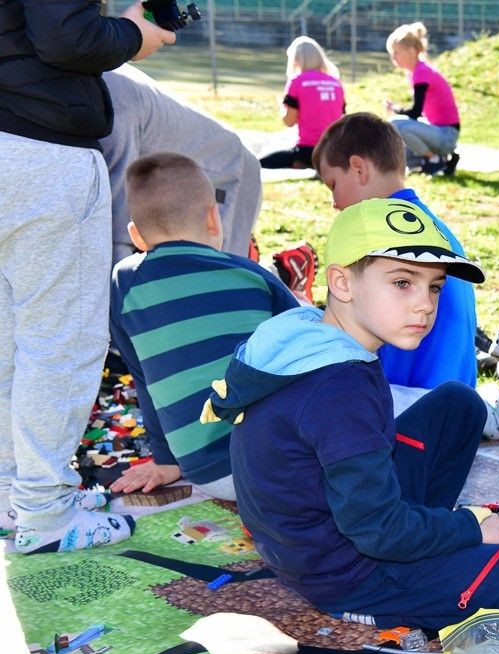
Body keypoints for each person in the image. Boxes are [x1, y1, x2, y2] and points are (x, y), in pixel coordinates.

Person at [202, 199, 499, 629]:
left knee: (459, 403)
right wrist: (467, 527)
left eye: (434, 286)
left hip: (322, 533)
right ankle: (381, 593)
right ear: (342, 283)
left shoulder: (306, 332)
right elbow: (377, 531)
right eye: (402, 282)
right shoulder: (340, 387)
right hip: (347, 572)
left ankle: (421, 535)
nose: (425, 304)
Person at [0, 0, 174, 553]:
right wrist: (130, 35)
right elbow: (65, 36)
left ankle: (15, 494)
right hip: (39, 150)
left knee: (10, 337)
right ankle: (44, 513)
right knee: (60, 340)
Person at [105, 152, 298, 507]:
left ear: (137, 236)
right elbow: (311, 350)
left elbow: (144, 379)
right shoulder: (253, 276)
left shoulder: (123, 285)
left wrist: (166, 461)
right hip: (284, 464)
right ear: (214, 217)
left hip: (211, 477)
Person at [312, 112, 499, 435]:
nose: (334, 202)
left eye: (333, 185)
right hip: (453, 402)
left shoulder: (383, 241)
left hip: (413, 408)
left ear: (358, 168)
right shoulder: (431, 228)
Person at [101, 64, 262, 263]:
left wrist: (116, 285)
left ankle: (285, 271)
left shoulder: (114, 94)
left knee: (216, 281)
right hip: (169, 185)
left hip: (229, 173)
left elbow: (117, 213)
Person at [385, 22, 461, 176]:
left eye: (397, 52)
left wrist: (395, 109)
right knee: (402, 156)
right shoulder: (417, 72)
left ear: (411, 51)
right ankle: (442, 161)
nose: (394, 58)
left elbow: (415, 112)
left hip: (446, 135)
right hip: (440, 132)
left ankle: (434, 160)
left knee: (395, 124)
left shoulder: (421, 73)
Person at [259, 36, 345, 170]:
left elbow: (289, 122)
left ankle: (302, 163)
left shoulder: (297, 82)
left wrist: (281, 107)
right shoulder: (336, 83)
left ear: (296, 59)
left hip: (309, 149)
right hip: (335, 150)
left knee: (261, 161)